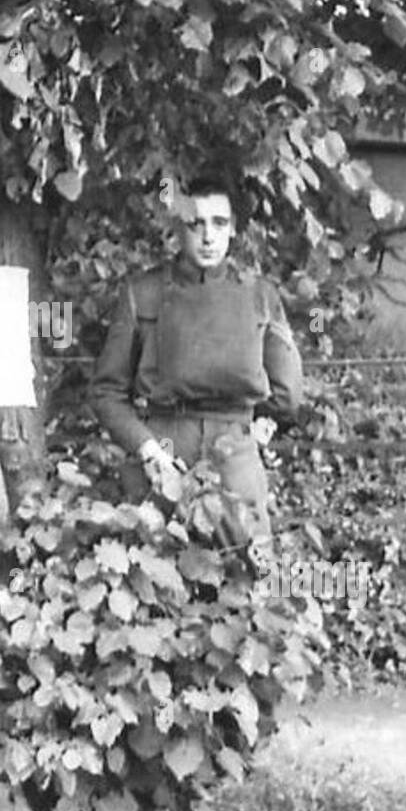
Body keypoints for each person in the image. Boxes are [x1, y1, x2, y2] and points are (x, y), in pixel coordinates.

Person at [88, 172, 304, 549]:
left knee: (250, 573)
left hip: (233, 448)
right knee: (154, 575)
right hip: (163, 449)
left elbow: (287, 394)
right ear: (178, 228)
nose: (208, 236)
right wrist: (147, 448)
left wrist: (256, 429)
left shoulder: (260, 295)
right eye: (196, 224)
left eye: (219, 223)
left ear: (233, 229)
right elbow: (107, 391)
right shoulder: (144, 292)